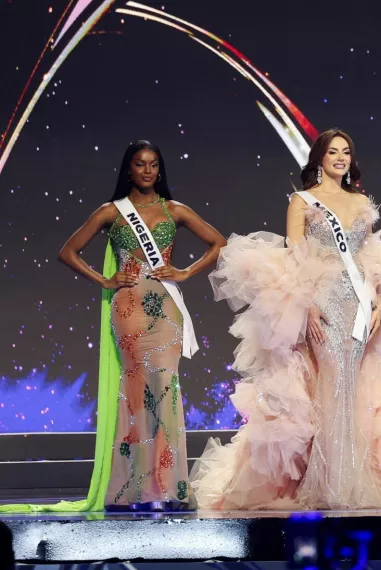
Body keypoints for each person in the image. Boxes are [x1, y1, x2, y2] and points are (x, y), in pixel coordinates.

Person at [191, 129, 381, 509]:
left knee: (353, 385)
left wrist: (379, 301)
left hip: (359, 303)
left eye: (346, 152)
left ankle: (353, 474)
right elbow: (294, 255)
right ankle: (335, 482)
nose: (340, 158)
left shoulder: (360, 202)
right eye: (333, 151)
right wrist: (307, 305)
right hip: (323, 302)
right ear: (319, 158)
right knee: (332, 383)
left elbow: (366, 257)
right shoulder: (301, 202)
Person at [1, 140, 225, 513]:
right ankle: (131, 488)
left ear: (160, 170)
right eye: (140, 164)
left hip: (165, 311)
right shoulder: (112, 212)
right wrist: (104, 280)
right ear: (129, 169)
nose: (148, 170)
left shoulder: (175, 210)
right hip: (129, 311)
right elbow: (68, 251)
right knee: (136, 392)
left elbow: (217, 242)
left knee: (165, 391)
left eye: (154, 164)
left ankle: (169, 486)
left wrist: (184, 272)